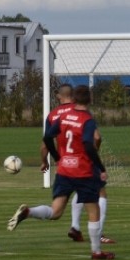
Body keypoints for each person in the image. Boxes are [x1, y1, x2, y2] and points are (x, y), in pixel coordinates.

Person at [7, 84, 115, 260]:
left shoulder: (63, 116)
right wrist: (100, 168)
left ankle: (29, 212)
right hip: (83, 171)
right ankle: (96, 251)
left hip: (64, 170)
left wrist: (57, 157)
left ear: (74, 99)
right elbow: (91, 142)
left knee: (55, 211)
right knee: (93, 210)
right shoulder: (87, 119)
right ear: (90, 99)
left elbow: (47, 137)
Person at [41, 84, 115, 246]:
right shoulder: (82, 114)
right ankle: (98, 235)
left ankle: (75, 226)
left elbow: (45, 141)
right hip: (82, 162)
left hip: (64, 165)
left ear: (60, 97)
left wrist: (49, 159)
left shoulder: (53, 115)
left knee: (59, 206)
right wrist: (97, 158)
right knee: (100, 193)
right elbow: (96, 137)